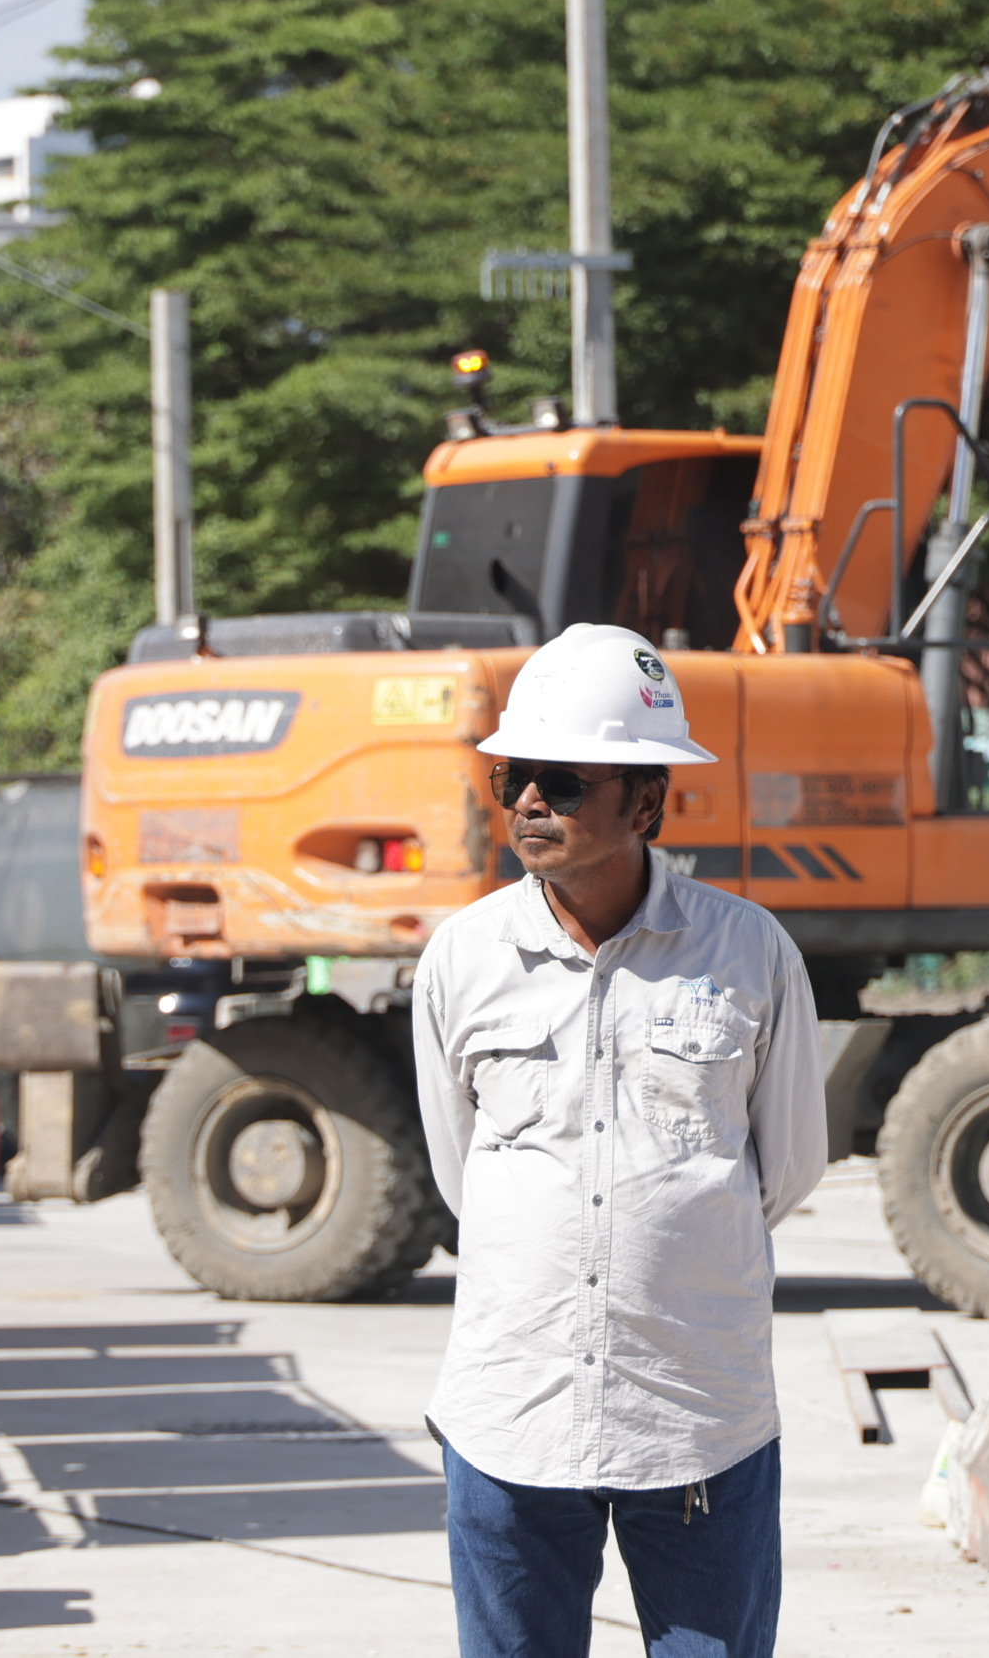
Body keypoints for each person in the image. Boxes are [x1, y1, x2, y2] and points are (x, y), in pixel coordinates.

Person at [412, 623, 829, 1658]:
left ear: (646, 803)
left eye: (561, 781)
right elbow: (463, 1172)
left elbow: (785, 1166)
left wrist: (670, 1237)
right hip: (513, 1418)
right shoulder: (463, 959)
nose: (527, 802)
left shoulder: (749, 954)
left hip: (696, 1420)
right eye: (511, 778)